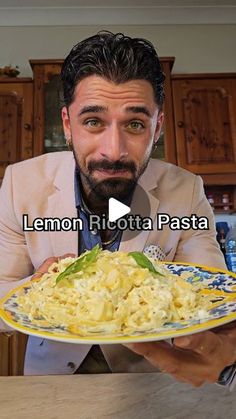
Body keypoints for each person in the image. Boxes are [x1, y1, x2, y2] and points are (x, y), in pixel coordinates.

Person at [0, 31, 235, 388]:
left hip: (153, 382)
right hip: (51, 383)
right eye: (93, 121)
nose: (113, 151)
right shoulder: (21, 184)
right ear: (67, 124)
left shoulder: (186, 191)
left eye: (135, 124)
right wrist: (34, 290)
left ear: (157, 128)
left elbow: (216, 296)